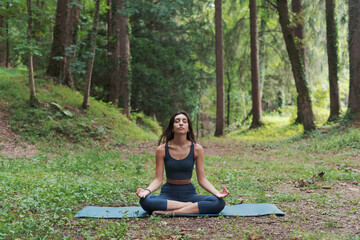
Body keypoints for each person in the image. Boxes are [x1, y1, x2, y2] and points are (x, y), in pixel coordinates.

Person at [136, 111, 229, 215]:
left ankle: (171, 213)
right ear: (172, 127)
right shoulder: (161, 149)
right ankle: (190, 207)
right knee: (145, 201)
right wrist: (146, 191)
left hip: (189, 193)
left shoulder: (197, 149)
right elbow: (158, 180)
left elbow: (202, 179)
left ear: (188, 127)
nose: (181, 123)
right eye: (177, 121)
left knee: (219, 202)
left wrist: (217, 192)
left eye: (184, 121)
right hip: (168, 194)